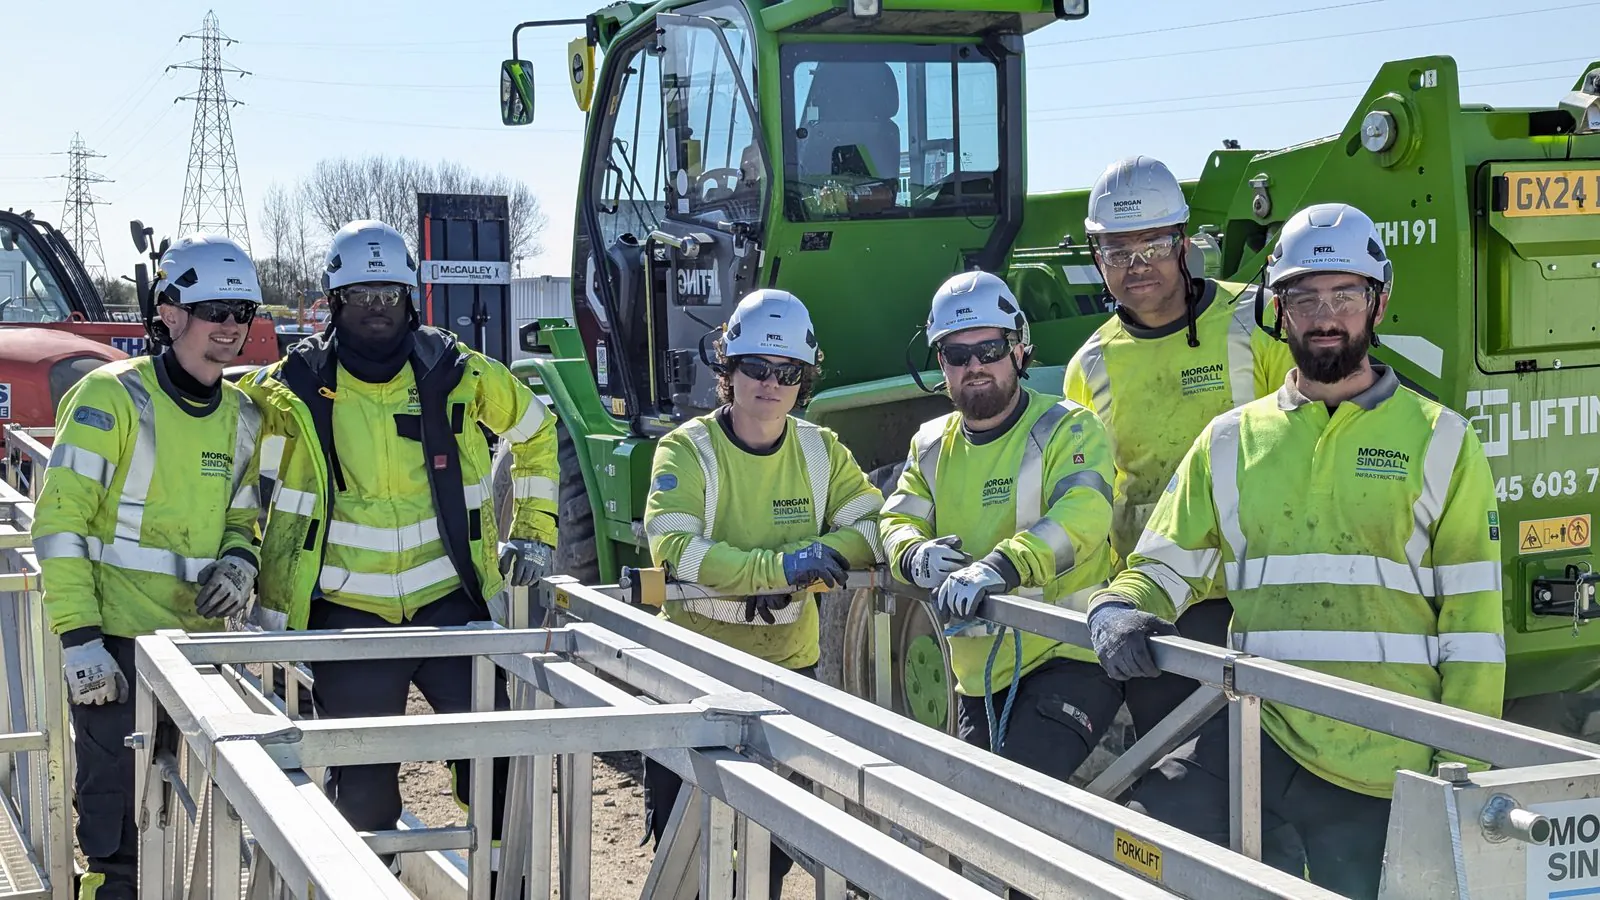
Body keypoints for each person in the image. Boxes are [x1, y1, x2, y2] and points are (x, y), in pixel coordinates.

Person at [1087, 203, 1504, 899]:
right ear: (1276, 309)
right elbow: (1162, 563)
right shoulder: (1230, 442)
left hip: (1379, 760)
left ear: (1380, 302)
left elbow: (1474, 625)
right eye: (1304, 297)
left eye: (1345, 294)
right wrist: (1118, 606)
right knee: (1134, 852)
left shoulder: (1443, 441)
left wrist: (1461, 773)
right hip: (1256, 734)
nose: (1324, 315)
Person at [243, 219, 559, 878]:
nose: (377, 308)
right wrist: (237, 558)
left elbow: (536, 429)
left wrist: (535, 529)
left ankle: (501, 887)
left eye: (389, 294)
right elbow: (232, 470)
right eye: (362, 295)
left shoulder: (458, 373)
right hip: (347, 617)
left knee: (496, 772)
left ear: (412, 298)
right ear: (334, 303)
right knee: (362, 798)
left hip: (450, 607)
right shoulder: (289, 388)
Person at [32, 233, 265, 900]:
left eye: (241, 313)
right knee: (118, 840)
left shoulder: (243, 416)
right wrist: (80, 639)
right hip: (115, 652)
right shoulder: (114, 398)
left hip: (196, 656)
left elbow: (241, 518)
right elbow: (62, 522)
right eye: (215, 310)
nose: (229, 328)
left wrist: (240, 562)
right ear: (169, 313)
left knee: (197, 828)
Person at [640, 288, 884, 894]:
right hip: (694, 674)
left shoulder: (819, 450)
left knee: (769, 851)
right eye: (756, 367)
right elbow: (674, 549)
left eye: (788, 372)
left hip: (787, 673)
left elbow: (874, 524)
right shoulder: (687, 449)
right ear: (728, 369)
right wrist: (779, 568)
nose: (770, 383)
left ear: (804, 379)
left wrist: (830, 554)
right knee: (686, 846)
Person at [1064, 155, 1295, 740]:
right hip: (1159, 606)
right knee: (1175, 771)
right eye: (1118, 252)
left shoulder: (1255, 324)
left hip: (1261, 594)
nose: (1136, 266)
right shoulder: (1090, 365)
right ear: (1097, 257)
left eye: (1152, 246)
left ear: (1183, 242)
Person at [880, 270, 1119, 783]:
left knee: (1012, 804)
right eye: (956, 354)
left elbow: (1085, 513)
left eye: (989, 349)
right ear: (940, 363)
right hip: (977, 677)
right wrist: (912, 553)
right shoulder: (928, 445)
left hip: (1066, 660)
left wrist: (1001, 565)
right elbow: (898, 518)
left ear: (1018, 348)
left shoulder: (1067, 427)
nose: (975, 366)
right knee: (979, 824)